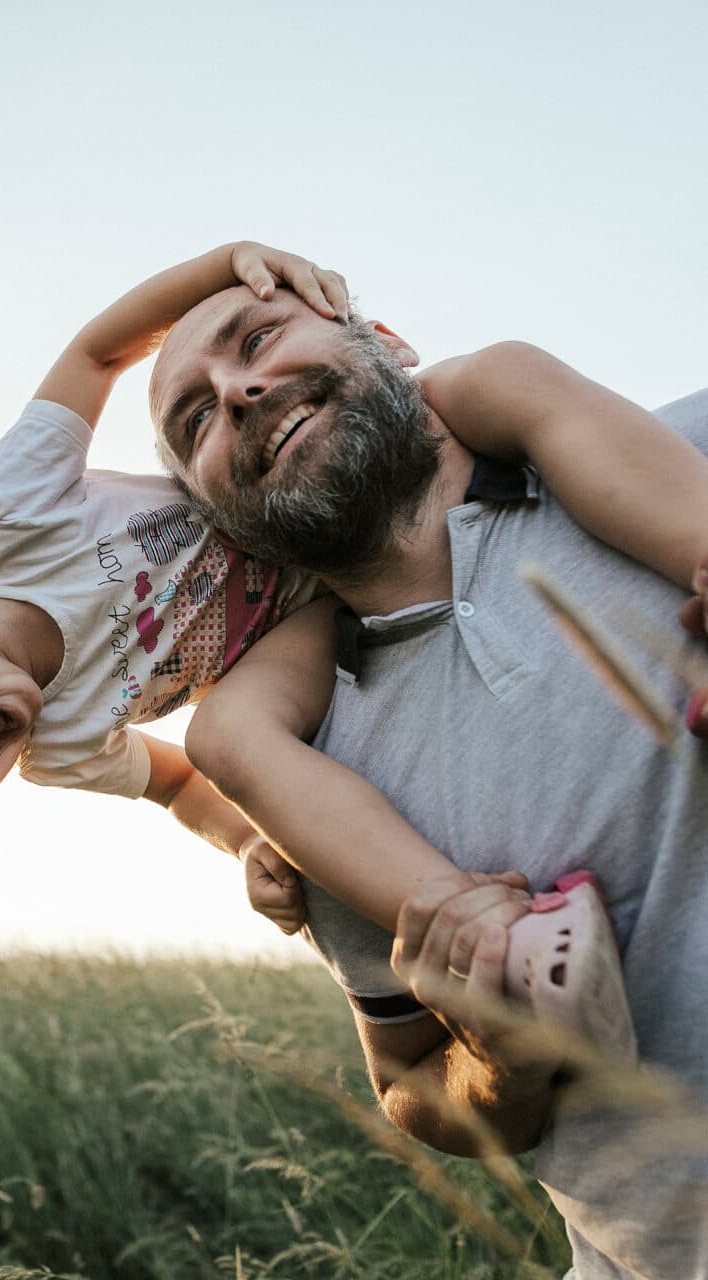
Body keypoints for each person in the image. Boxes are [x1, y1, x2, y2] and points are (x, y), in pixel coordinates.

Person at [0, 242, 698, 1126]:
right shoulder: (78, 747)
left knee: (498, 372)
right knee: (225, 740)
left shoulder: (19, 513)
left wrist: (219, 262)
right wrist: (255, 841)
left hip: (343, 530)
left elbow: (95, 350)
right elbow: (175, 782)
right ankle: (489, 943)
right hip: (294, 612)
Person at [150, 282, 708, 1277]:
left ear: (387, 340)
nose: (235, 392)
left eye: (258, 339)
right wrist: (499, 1057)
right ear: (218, 518)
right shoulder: (308, 786)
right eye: (195, 417)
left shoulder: (678, 455)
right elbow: (410, 1085)